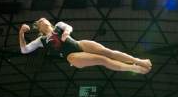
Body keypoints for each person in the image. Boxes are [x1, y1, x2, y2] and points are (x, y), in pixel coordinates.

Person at [19, 18, 152, 74]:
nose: (44, 21)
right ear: (40, 28)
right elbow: (24, 50)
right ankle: (133, 69)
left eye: (45, 19)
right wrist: (21, 33)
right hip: (71, 56)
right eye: (41, 21)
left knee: (108, 52)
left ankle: (139, 61)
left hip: (78, 44)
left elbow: (68, 27)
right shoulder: (41, 40)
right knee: (103, 60)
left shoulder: (58, 25)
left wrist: (66, 33)